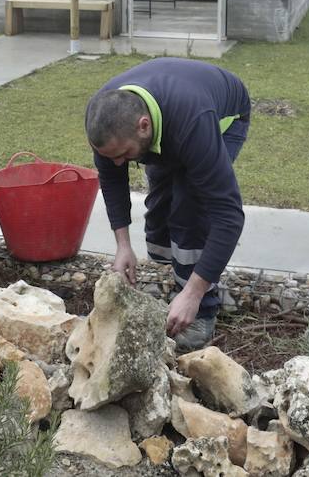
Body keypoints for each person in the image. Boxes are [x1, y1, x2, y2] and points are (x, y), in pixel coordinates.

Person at [85, 57, 251, 351]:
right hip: (170, 118)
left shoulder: (193, 122)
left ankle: (201, 308)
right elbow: (112, 180)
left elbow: (229, 216)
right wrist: (122, 245)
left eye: (123, 154)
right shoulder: (103, 118)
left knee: (190, 204)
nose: (119, 162)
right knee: (161, 212)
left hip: (224, 117)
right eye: (111, 156)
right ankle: (175, 282)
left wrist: (194, 292)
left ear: (143, 126)